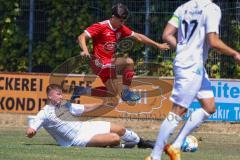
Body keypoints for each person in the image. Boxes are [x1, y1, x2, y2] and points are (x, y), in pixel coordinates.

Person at [145, 0, 240, 160]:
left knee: (209, 107)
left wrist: (183, 50)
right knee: (178, 110)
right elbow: (213, 41)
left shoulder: (183, 7)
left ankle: (175, 146)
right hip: (191, 66)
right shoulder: (212, 8)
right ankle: (154, 156)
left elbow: (167, 35)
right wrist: (235, 54)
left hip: (192, 64)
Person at [73, 3, 169, 103]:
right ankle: (126, 92)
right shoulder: (101, 26)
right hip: (99, 63)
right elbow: (81, 37)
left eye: (124, 21)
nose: (122, 23)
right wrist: (85, 51)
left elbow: (138, 37)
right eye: (120, 20)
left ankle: (81, 91)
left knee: (112, 94)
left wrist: (158, 45)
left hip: (108, 64)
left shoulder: (121, 28)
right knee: (129, 62)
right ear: (113, 17)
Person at [26, 84, 155, 149]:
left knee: (120, 129)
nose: (61, 96)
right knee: (115, 138)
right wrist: (31, 132)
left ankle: (142, 142)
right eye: (58, 94)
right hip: (78, 139)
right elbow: (31, 129)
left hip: (85, 127)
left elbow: (86, 108)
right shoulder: (44, 113)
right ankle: (120, 146)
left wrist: (102, 103)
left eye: (61, 94)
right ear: (50, 96)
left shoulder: (65, 105)